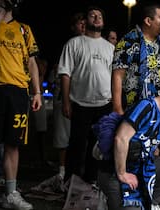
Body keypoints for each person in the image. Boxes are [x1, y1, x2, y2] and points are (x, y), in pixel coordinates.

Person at [98, 80, 160, 210]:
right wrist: (122, 173)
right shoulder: (146, 106)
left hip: (142, 169)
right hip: (116, 171)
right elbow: (120, 138)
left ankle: (151, 202)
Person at [57, 6, 115, 183]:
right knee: (76, 147)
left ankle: (91, 183)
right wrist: (66, 101)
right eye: (92, 15)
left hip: (104, 104)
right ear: (86, 21)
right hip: (80, 104)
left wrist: (116, 103)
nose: (96, 18)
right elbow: (65, 74)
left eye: (99, 16)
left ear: (103, 22)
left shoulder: (110, 48)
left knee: (97, 148)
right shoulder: (74, 44)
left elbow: (115, 77)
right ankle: (70, 184)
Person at [0, 0, 42, 209]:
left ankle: (10, 193)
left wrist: (37, 92)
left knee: (12, 143)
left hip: (18, 91)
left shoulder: (24, 29)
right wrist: (1, 12)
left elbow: (32, 62)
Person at [111, 1, 160, 116]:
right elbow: (117, 75)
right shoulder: (129, 40)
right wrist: (117, 108)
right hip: (136, 110)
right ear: (148, 21)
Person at [52, 11, 85, 180]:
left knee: (80, 136)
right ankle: (62, 170)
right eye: (80, 23)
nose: (83, 25)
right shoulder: (69, 45)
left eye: (84, 22)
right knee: (63, 135)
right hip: (67, 96)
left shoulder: (92, 44)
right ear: (73, 27)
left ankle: (78, 170)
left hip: (83, 98)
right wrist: (65, 100)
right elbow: (63, 73)